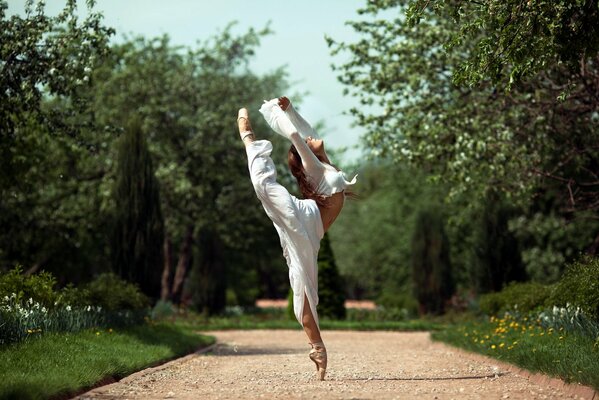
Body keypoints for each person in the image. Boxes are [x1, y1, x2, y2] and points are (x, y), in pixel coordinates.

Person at [236, 96, 356, 381]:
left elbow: (304, 130)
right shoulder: (314, 167)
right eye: (306, 143)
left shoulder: (323, 166)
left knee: (304, 287)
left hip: (310, 229)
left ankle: (317, 349)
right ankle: (248, 140)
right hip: (305, 217)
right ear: (303, 159)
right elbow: (294, 134)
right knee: (263, 187)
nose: (312, 138)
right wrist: (274, 112)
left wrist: (289, 108)